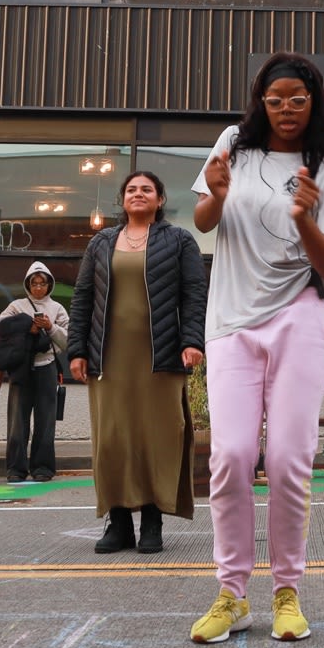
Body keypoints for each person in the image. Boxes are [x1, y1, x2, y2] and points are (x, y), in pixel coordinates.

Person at [188, 51, 324, 644]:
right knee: (231, 455)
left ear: (315, 104)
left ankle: (287, 590)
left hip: (299, 319)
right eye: (276, 99)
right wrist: (210, 194)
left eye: (298, 99)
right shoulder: (234, 144)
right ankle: (232, 595)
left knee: (288, 459)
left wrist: (306, 217)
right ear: (261, 101)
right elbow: (205, 220)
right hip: (232, 320)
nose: (286, 109)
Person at [68, 171, 207, 555]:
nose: (139, 194)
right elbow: (82, 297)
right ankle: (119, 523)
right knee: (113, 439)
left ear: (160, 199)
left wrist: (192, 340)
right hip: (108, 359)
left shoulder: (179, 241)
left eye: (147, 189)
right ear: (122, 199)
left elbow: (194, 293)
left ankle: (152, 521)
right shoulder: (101, 242)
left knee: (156, 438)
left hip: (160, 356)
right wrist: (77, 349)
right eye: (131, 189)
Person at [0, 262, 69, 484]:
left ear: (49, 285)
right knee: (17, 420)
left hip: (46, 367)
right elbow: (0, 329)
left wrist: (50, 327)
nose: (38, 288)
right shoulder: (16, 306)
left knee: (46, 420)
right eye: (34, 283)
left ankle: (43, 468)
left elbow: (68, 340)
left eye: (42, 283)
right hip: (21, 369)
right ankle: (15, 469)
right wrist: (28, 328)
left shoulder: (57, 308)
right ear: (28, 284)